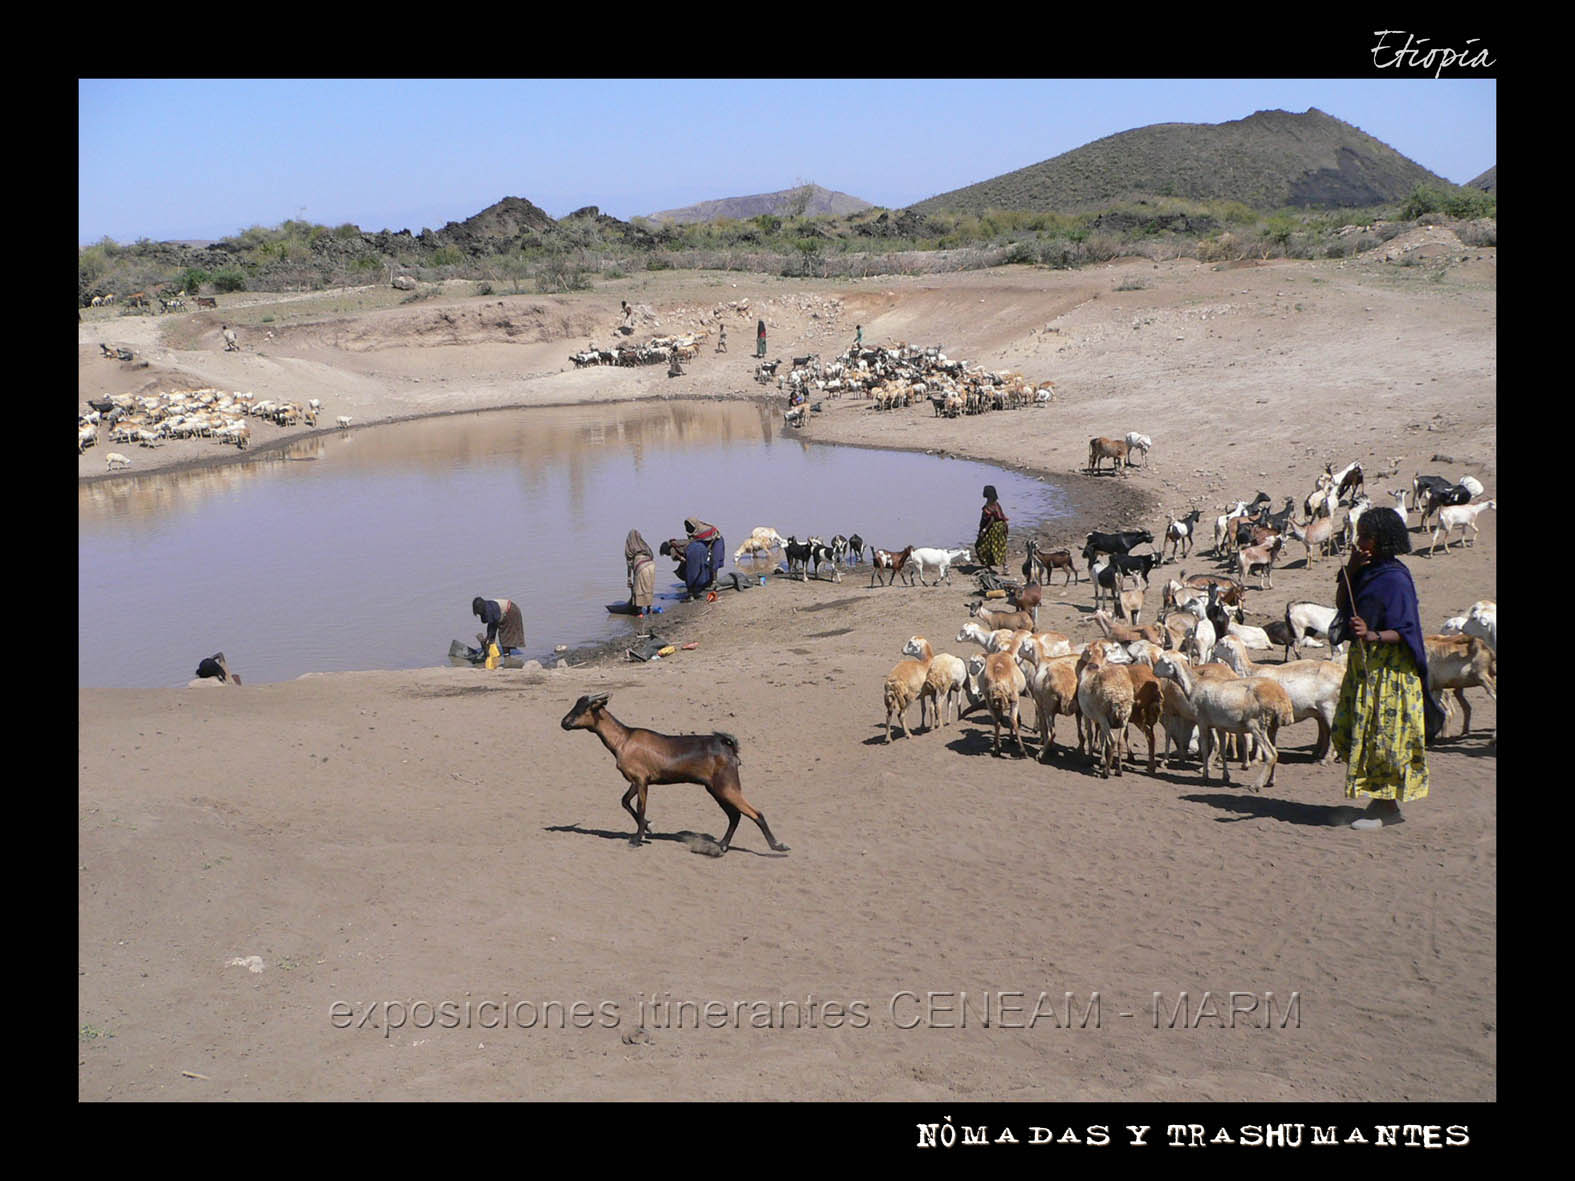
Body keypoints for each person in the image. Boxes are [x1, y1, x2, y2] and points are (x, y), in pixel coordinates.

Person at [1330, 506, 1444, 830]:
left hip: (1390, 672)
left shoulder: (1395, 578)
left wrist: (1372, 634)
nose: (1360, 542)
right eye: (1359, 535)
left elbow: (1407, 629)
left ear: (1383, 539)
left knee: (1384, 736)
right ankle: (1378, 802)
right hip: (1365, 668)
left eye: (1366, 536)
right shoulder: (1365, 570)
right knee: (1355, 730)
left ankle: (1386, 809)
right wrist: (1350, 570)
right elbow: (1343, 602)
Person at [683, 517, 725, 599]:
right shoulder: (693, 531)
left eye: (689, 526)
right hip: (705, 542)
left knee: (714, 562)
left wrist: (708, 551)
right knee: (704, 562)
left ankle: (713, 581)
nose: (688, 528)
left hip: (716, 540)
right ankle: (705, 581)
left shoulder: (704, 531)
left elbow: (710, 539)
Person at [975, 485, 1009, 575]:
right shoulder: (996, 504)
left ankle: (987, 566)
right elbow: (1001, 517)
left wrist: (983, 530)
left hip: (993, 529)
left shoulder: (989, 506)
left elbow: (991, 519)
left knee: (980, 546)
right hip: (1000, 528)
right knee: (1000, 547)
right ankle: (1005, 567)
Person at [625, 530, 656, 615]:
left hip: (641, 566)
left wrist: (629, 578)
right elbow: (652, 555)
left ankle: (639, 613)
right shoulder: (644, 545)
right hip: (651, 565)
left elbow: (629, 564)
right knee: (648, 587)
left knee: (638, 589)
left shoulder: (630, 547)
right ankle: (650, 609)